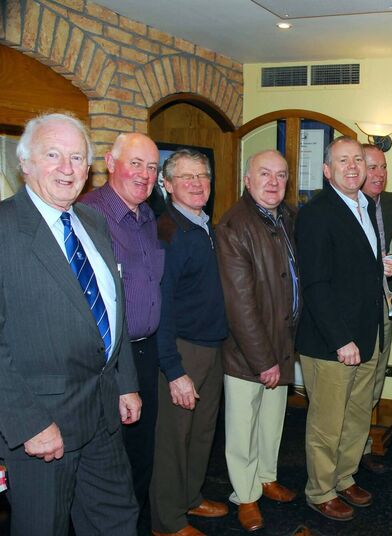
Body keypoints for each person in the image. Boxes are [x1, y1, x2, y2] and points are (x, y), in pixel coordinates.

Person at [0, 113, 140, 535]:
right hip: (44, 427)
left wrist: (125, 381)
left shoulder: (92, 221)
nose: (67, 168)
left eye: (77, 157)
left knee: (117, 521)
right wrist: (28, 423)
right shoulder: (4, 229)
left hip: (102, 415)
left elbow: (114, 307)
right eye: (53, 155)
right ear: (25, 164)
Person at [295, 137, 392, 522]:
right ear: (326, 170)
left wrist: (379, 268)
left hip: (367, 335)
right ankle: (319, 490)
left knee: (356, 416)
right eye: (342, 161)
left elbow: (351, 266)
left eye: (358, 160)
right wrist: (341, 340)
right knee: (327, 421)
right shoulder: (317, 213)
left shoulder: (365, 206)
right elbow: (316, 284)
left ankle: (345, 476)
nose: (352, 166)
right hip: (332, 342)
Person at [216, 150, 301, 531]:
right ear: (247, 179)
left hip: (281, 341)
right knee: (242, 429)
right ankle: (245, 495)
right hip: (247, 352)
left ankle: (266, 477)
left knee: (272, 422)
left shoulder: (287, 218)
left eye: (281, 175)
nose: (273, 182)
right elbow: (240, 304)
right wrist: (263, 359)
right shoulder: (234, 224)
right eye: (264, 174)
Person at [80, 132, 164, 513]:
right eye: (135, 163)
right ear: (110, 164)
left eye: (151, 167)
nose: (144, 175)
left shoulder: (148, 216)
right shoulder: (86, 215)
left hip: (146, 354)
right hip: (107, 362)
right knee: (107, 468)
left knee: (140, 458)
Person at [149, 149, 229, 536]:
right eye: (186, 177)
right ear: (166, 185)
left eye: (203, 176)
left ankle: (190, 498)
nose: (197, 183)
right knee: (173, 439)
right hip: (182, 350)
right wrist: (174, 370)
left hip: (212, 347)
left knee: (202, 432)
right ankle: (167, 521)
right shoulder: (168, 231)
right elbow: (161, 306)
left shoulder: (204, 225)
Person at [359, 143, 392, 473]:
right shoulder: (346, 206)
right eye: (372, 167)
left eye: (383, 167)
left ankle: (361, 447)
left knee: (375, 382)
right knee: (354, 386)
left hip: (386, 308)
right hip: (356, 312)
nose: (379, 174)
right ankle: (351, 450)